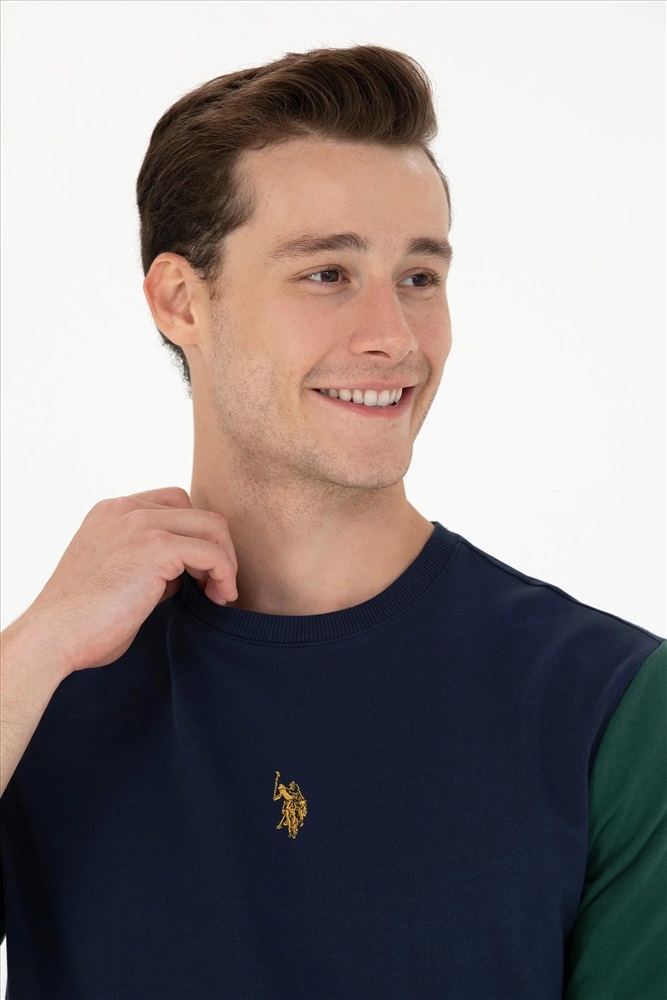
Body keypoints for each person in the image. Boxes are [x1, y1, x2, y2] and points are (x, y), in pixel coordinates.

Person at [0, 43, 664, 1000]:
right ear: (181, 302)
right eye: (326, 274)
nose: (393, 336)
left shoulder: (613, 709)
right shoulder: (49, 689)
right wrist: (32, 653)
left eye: (419, 276)